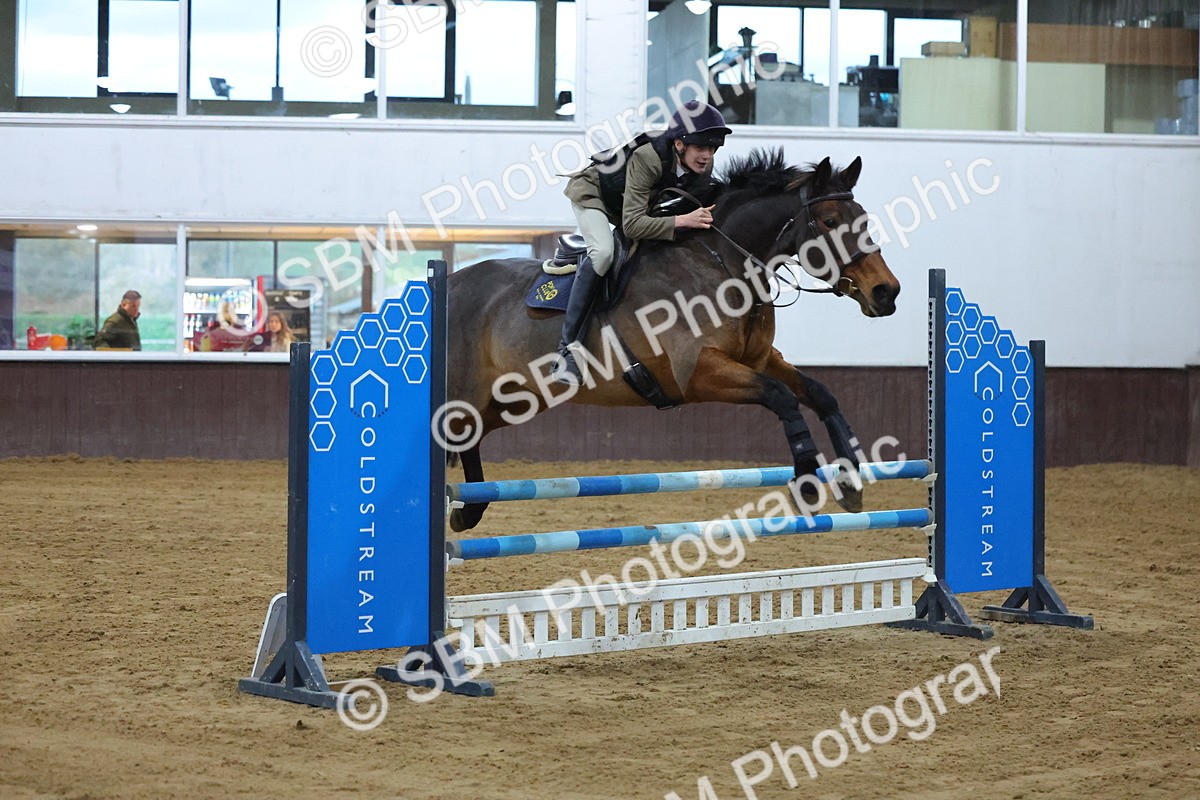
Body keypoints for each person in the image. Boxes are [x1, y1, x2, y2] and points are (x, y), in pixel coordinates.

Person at [555, 100, 732, 384]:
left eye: (712, 149)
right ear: (679, 144)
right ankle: (567, 350)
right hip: (594, 195)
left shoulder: (702, 168)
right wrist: (682, 220)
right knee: (603, 253)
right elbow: (633, 225)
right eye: (701, 147)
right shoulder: (648, 158)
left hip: (634, 206)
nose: (707, 156)